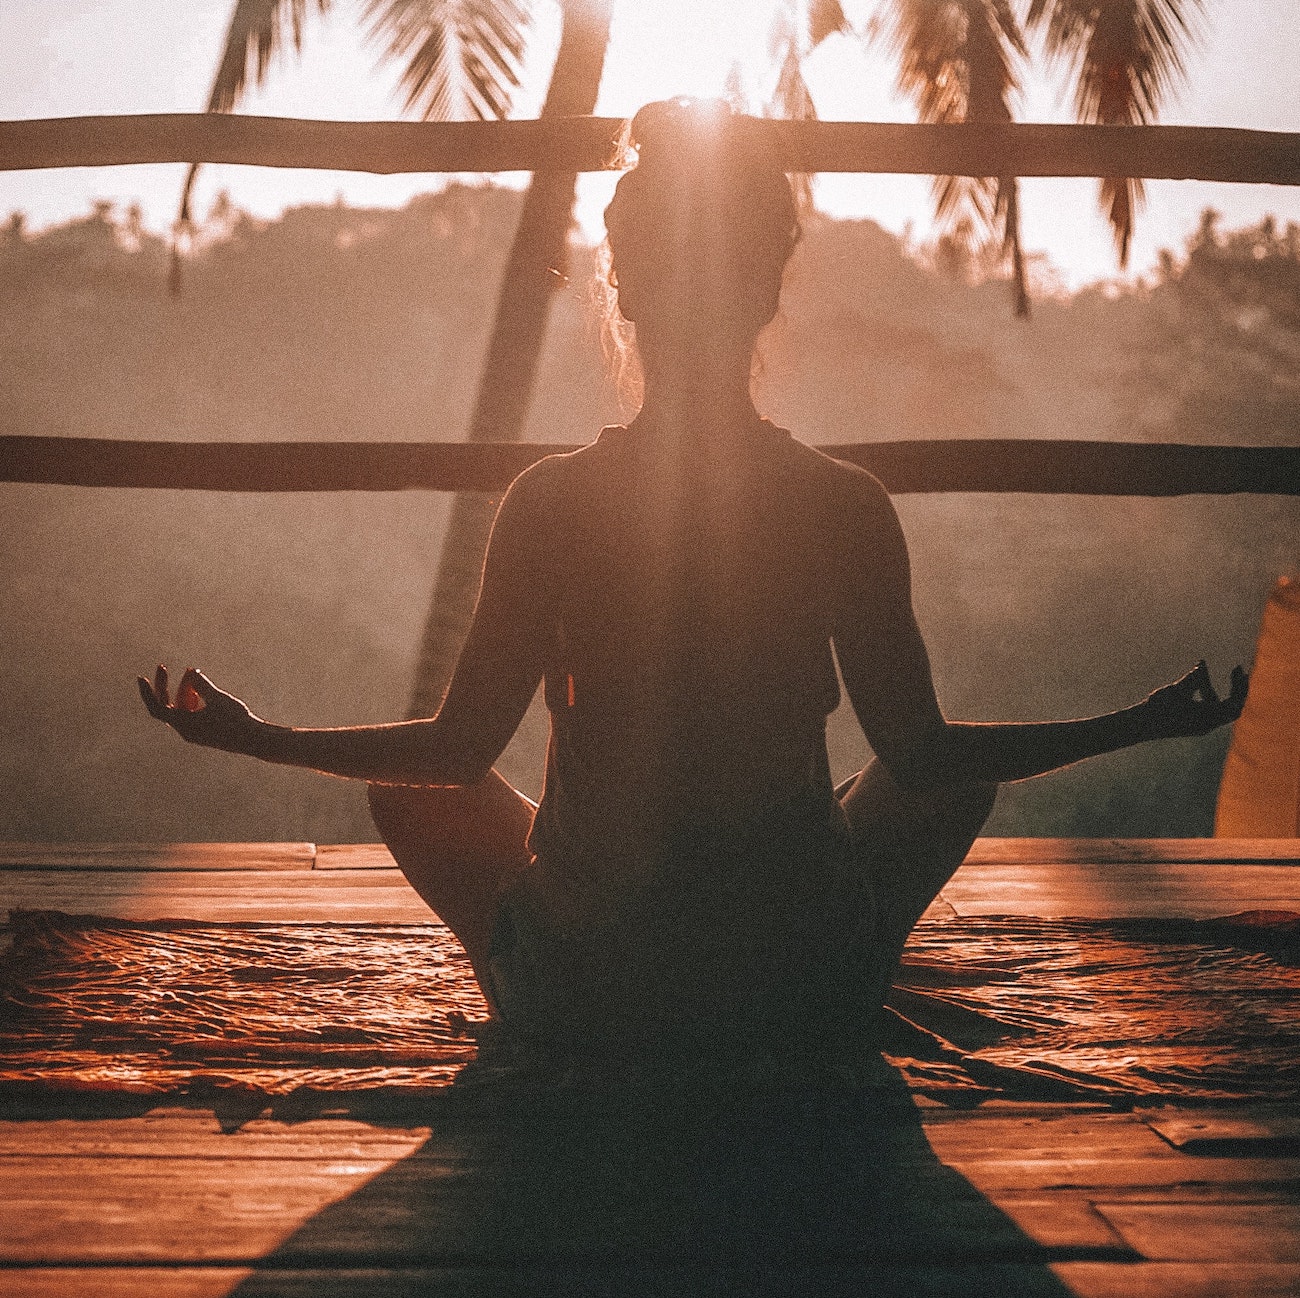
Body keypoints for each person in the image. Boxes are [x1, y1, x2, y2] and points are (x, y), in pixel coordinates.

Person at [140, 99, 1248, 1075]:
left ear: (622, 290)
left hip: (591, 994)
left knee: (409, 792)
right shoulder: (841, 502)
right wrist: (1139, 722)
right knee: (949, 778)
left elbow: (452, 752)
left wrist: (256, 733)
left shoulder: (552, 500)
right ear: (768, 287)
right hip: (795, 987)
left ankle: (538, 993)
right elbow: (925, 756)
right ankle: (845, 971)